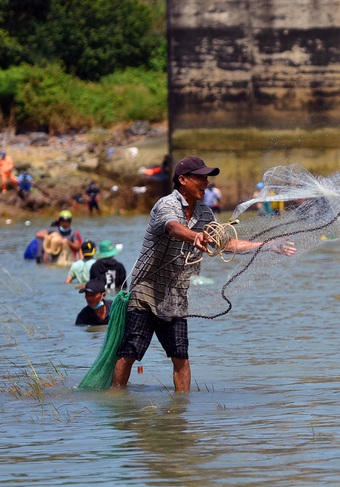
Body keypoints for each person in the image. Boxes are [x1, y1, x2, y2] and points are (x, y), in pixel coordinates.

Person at [111, 156, 296, 392]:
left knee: (181, 357)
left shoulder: (205, 213)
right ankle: (116, 399)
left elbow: (226, 243)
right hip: (145, 292)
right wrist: (194, 236)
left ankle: (182, 410)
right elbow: (173, 227)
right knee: (130, 352)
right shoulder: (165, 205)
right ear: (183, 179)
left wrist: (267, 245)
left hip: (175, 296)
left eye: (207, 177)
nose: (206, 182)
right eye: (200, 177)